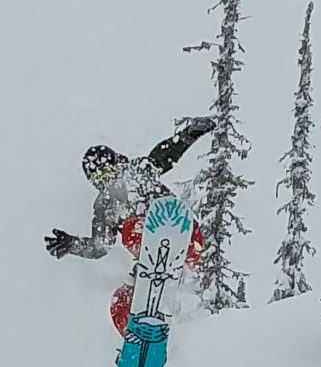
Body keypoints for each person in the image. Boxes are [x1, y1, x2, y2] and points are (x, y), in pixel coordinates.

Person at [46, 117, 214, 332]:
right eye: (99, 177)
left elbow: (166, 153)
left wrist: (190, 133)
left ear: (118, 163)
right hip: (151, 262)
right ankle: (138, 338)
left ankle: (161, 250)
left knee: (131, 227)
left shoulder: (139, 171)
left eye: (108, 171)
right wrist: (72, 244)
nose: (107, 180)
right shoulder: (105, 205)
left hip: (184, 237)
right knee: (120, 302)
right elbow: (101, 246)